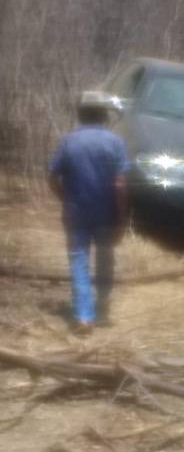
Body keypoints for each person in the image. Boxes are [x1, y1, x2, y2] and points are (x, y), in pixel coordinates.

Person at [48, 90, 129, 334]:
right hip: (106, 215)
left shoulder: (69, 141)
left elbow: (52, 177)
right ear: (104, 114)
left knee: (79, 263)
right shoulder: (115, 142)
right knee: (104, 261)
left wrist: (65, 197)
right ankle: (102, 309)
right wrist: (122, 219)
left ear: (81, 114)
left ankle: (84, 316)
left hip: (76, 214)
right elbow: (121, 185)